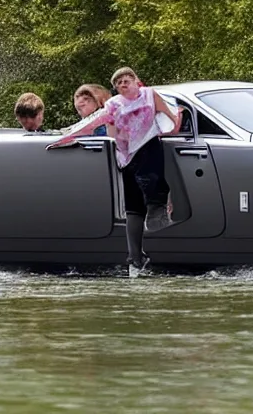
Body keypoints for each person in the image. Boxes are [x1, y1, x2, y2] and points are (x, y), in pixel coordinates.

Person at [47, 67, 180, 275]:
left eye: (127, 80)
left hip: (147, 145)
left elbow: (170, 117)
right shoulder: (114, 105)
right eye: (118, 83)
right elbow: (91, 124)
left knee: (150, 179)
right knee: (133, 207)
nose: (123, 84)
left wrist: (173, 125)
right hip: (126, 155)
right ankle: (135, 256)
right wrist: (63, 139)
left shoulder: (149, 95)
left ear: (137, 81)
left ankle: (157, 210)